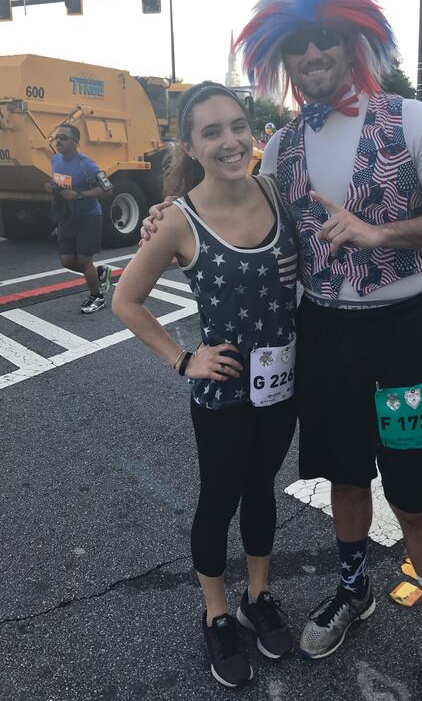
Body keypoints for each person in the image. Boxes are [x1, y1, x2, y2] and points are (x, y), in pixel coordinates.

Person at [143, 0, 422, 701]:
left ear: (353, 38)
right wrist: (161, 217)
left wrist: (380, 230)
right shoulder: (286, 146)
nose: (313, 54)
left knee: (417, 496)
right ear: (282, 57)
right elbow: (225, 196)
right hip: (321, 335)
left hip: (400, 335)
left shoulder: (409, 119)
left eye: (326, 37)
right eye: (297, 44)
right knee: (345, 476)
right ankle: (354, 588)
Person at [114, 82, 298, 688]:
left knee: (263, 490)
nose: (231, 141)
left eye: (239, 126)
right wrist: (182, 358)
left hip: (280, 384)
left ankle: (259, 596)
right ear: (190, 145)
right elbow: (126, 300)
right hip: (222, 394)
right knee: (220, 497)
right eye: (213, 131)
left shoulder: (274, 190)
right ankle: (217, 613)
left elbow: (300, 256)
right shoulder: (175, 220)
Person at [45, 124, 113, 313]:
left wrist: (78, 195)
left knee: (84, 260)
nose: (58, 141)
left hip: (88, 217)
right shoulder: (55, 160)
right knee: (66, 261)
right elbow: (60, 181)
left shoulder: (87, 165)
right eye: (56, 137)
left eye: (63, 138)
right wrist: (51, 186)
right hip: (67, 217)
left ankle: (97, 297)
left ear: (75, 142)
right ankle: (100, 273)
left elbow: (108, 189)